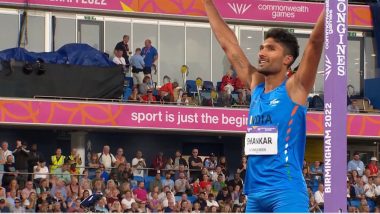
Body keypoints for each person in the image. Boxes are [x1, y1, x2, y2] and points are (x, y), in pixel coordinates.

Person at [204, 0, 324, 212]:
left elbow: (314, 43)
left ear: (288, 59)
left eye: (270, 49)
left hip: (286, 192)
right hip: (255, 196)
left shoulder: (295, 87)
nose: (261, 53)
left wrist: (333, 5)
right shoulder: (256, 85)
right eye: (261, 48)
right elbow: (228, 45)